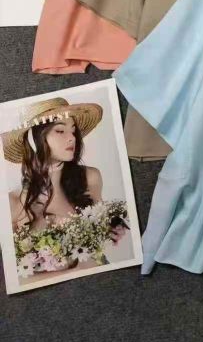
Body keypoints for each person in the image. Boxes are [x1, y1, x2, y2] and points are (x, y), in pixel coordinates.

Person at [3, 97, 125, 281]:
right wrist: (74, 272)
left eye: (73, 130)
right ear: (35, 139)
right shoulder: (12, 203)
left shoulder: (90, 178)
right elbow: (14, 280)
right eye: (60, 130)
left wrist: (113, 227)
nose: (72, 138)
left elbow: (104, 228)